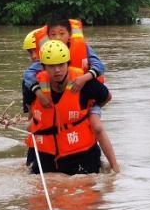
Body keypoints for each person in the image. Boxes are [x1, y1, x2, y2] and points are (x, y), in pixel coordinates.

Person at [23, 18, 120, 172]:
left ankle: (115, 166)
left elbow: (100, 71)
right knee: (30, 126)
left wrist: (87, 106)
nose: (57, 71)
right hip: (49, 143)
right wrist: (39, 94)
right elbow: (28, 79)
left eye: (62, 33)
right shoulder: (36, 74)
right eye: (53, 34)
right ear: (44, 66)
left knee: (97, 126)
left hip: (85, 100)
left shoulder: (84, 54)